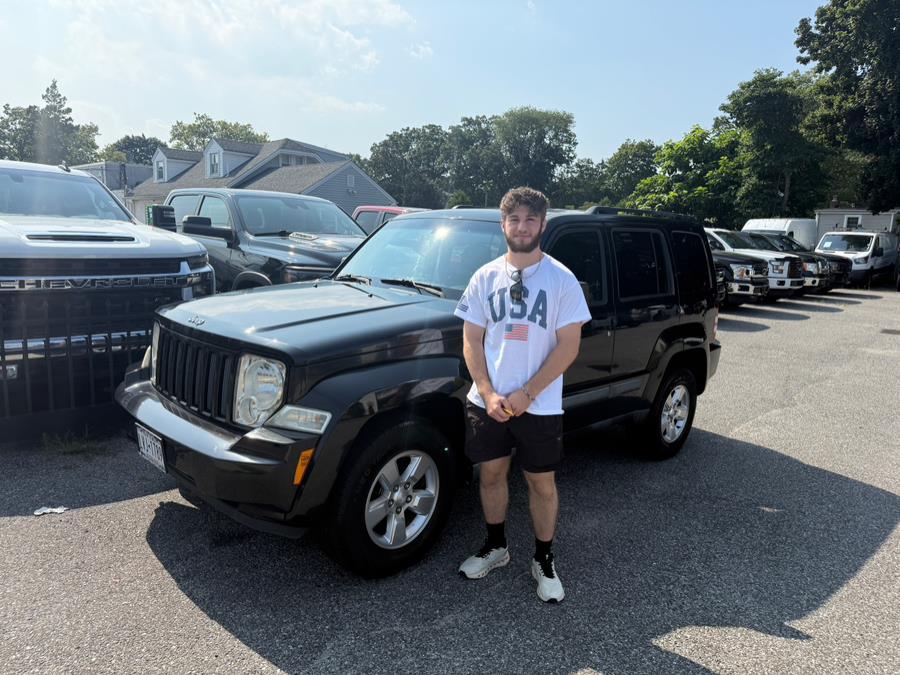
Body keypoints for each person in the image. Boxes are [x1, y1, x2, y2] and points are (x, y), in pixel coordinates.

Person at [453, 187, 591, 603]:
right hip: (490, 404)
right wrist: (488, 392)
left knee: (541, 483)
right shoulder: (484, 277)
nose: (522, 226)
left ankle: (543, 560)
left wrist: (529, 393)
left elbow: (569, 346)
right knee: (491, 475)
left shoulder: (561, 279)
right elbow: (471, 340)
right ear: (504, 225)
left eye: (531, 219)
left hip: (540, 404)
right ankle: (497, 547)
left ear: (543, 225)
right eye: (514, 219)